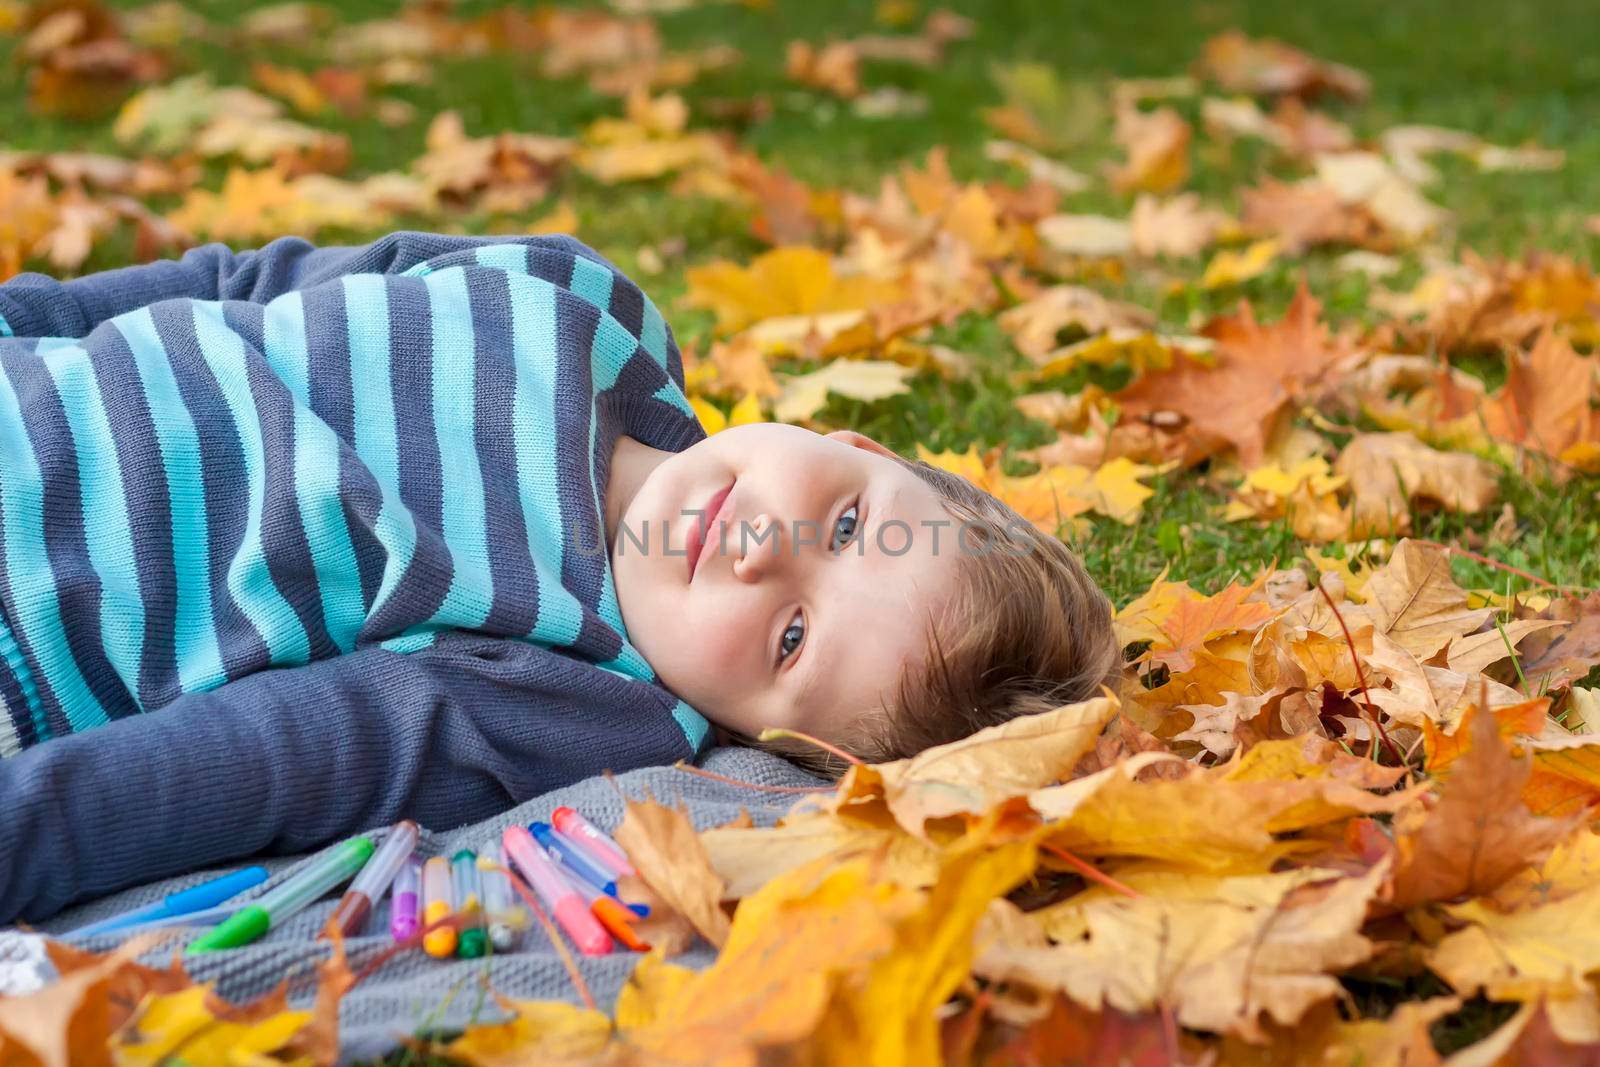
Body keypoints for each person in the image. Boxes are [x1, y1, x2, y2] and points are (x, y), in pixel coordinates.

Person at [0, 232, 1117, 924]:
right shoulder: (578, 300)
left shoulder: (582, 689)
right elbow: (252, 285)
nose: (764, 548)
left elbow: (274, 756)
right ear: (859, 446)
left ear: (749, 738)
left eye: (788, 638)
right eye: (843, 517)